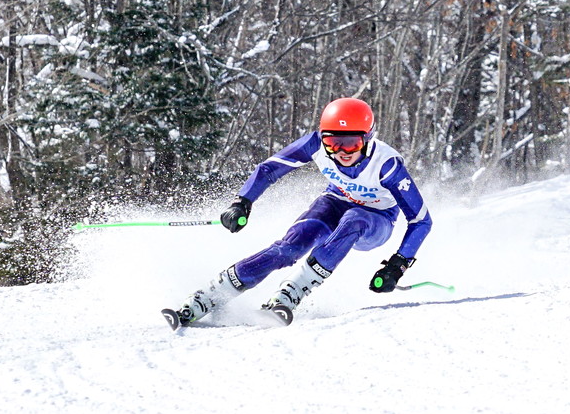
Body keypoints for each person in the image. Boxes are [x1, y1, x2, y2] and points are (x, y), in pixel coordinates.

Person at [163, 97, 432, 327]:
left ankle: (292, 291)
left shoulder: (386, 164)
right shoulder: (314, 144)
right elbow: (269, 169)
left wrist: (397, 265)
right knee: (291, 246)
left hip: (376, 220)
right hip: (335, 200)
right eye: (333, 143)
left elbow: (421, 220)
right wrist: (242, 201)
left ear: (368, 138)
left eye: (351, 143)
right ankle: (212, 295)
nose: (341, 152)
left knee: (354, 218)